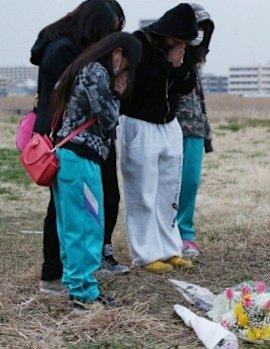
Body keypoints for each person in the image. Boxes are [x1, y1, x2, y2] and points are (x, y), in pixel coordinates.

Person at [30, 0, 129, 297]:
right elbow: (96, 106)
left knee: (72, 212)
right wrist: (114, 86)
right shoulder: (67, 52)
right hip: (72, 141)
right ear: (94, 27)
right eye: (108, 32)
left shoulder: (64, 46)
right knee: (75, 215)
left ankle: (70, 276)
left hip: (69, 139)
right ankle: (60, 277)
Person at [50, 32, 142, 310]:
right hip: (81, 160)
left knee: (71, 226)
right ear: (117, 53)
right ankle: (84, 293)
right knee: (88, 226)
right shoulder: (96, 72)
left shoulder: (81, 67)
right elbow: (108, 118)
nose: (125, 72)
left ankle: (76, 285)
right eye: (126, 65)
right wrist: (118, 92)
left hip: (69, 158)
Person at [120, 3, 197, 273]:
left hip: (169, 125)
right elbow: (139, 85)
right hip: (140, 124)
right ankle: (145, 253)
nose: (181, 45)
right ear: (167, 31)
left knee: (168, 192)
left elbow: (188, 84)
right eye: (178, 40)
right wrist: (169, 64)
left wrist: (178, 64)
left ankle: (169, 248)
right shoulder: (137, 43)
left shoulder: (179, 49)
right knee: (142, 191)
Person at [176, 3, 215, 258]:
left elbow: (200, 101)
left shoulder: (196, 64)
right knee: (171, 183)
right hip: (171, 127)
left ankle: (185, 232)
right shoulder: (170, 59)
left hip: (195, 129)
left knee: (190, 181)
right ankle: (169, 232)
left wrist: (207, 134)